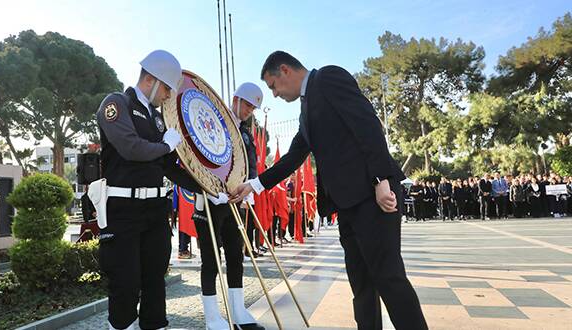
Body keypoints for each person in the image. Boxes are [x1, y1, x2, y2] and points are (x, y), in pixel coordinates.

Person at [231, 51, 427, 330]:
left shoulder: (329, 78)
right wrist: (255, 184)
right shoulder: (306, 110)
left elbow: (367, 124)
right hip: (347, 205)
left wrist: (381, 178)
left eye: (273, 85)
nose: (273, 94)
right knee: (361, 284)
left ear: (285, 70)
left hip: (373, 196)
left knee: (388, 277)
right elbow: (293, 157)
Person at [94, 50, 202, 330]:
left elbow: (168, 166)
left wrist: (207, 187)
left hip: (155, 210)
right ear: (151, 80)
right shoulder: (117, 103)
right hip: (123, 210)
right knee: (125, 282)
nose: (167, 96)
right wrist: (166, 145)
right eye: (167, 88)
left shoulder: (157, 119)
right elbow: (130, 148)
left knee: (155, 279)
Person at [192, 82, 265, 330]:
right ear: (235, 99)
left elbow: (250, 163)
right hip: (210, 201)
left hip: (235, 202)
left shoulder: (245, 132)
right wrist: (210, 189)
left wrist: (249, 189)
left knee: (236, 255)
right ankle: (212, 316)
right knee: (211, 260)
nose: (249, 111)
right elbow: (199, 158)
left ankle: (238, 311)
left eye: (253, 108)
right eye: (247, 104)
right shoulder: (213, 120)